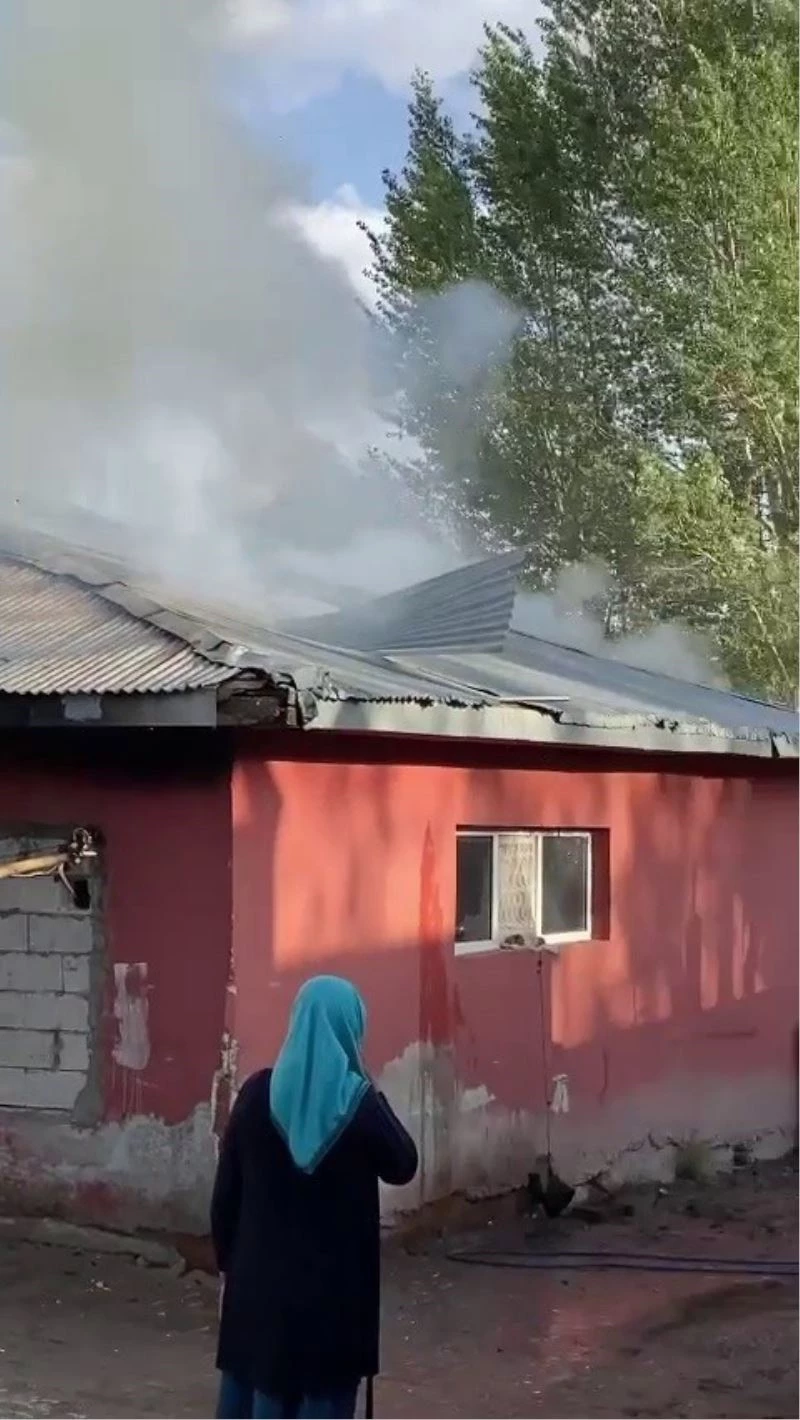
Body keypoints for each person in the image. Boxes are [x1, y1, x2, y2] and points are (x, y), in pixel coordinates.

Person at [211, 974, 419, 1420]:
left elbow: (225, 1195)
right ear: (350, 1030)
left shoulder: (254, 1095)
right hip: (331, 1304)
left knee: (260, 1393)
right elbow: (404, 1163)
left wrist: (229, 1267)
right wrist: (367, 1088)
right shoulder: (359, 1108)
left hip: (258, 1294)